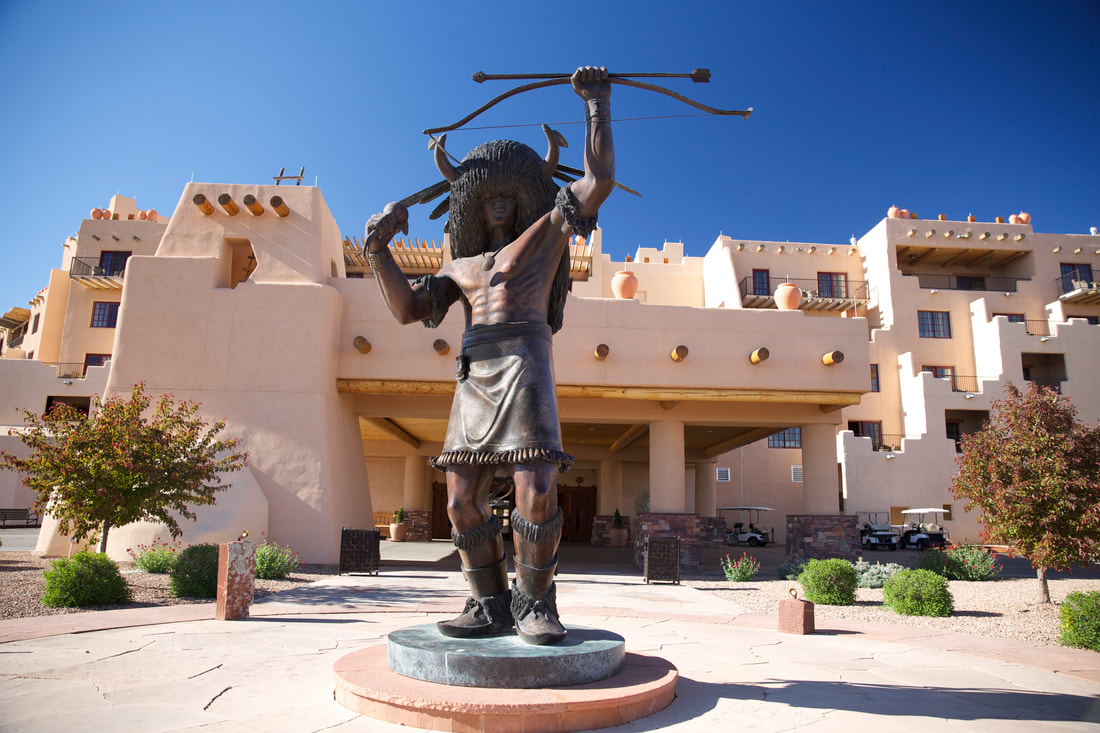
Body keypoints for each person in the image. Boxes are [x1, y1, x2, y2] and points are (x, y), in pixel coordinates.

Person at [365, 66, 614, 645]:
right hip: (474, 373)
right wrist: (379, 250)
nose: (498, 203)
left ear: (524, 196)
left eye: (508, 194)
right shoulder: (459, 266)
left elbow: (598, 179)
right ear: (471, 204)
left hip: (526, 363)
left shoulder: (544, 236)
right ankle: (489, 603)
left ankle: (536, 602)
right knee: (459, 500)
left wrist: (596, 103)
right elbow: (407, 310)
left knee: (537, 490)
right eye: (488, 196)